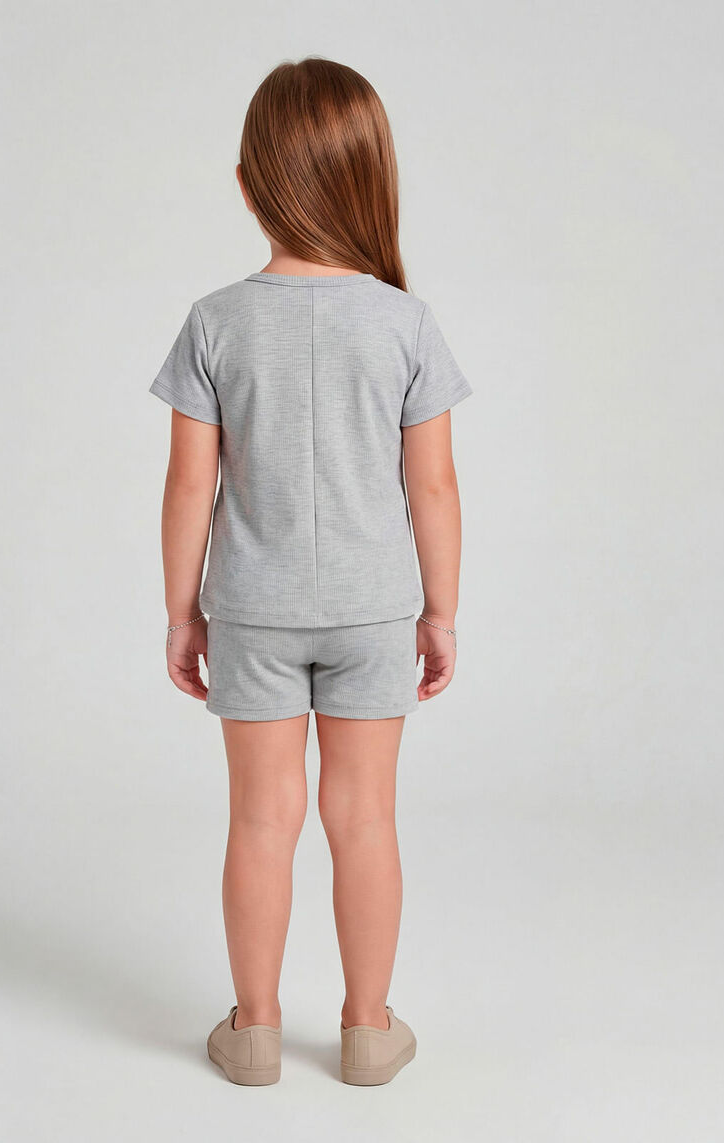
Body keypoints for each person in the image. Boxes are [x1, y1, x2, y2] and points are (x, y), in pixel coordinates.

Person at [149, 56, 472, 1086]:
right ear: (371, 179)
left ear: (250, 186)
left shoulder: (215, 321)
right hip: (375, 613)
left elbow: (188, 486)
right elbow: (434, 489)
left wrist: (181, 614)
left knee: (261, 818)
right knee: (364, 817)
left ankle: (252, 1032)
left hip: (252, 608)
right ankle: (368, 1030)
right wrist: (440, 613)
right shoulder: (406, 323)